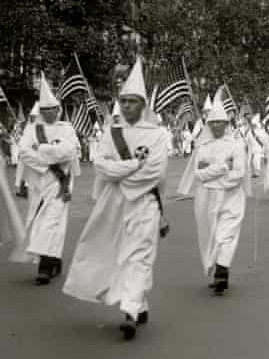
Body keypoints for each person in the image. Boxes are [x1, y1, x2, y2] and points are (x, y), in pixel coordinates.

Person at [63, 57, 171, 341]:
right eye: (123, 101)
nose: (127, 106)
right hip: (114, 204)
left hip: (145, 203)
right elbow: (100, 165)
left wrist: (121, 173)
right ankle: (139, 302)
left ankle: (130, 312)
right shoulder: (112, 133)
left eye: (132, 102)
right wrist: (133, 166)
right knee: (120, 253)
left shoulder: (158, 135)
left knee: (139, 255)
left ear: (143, 105)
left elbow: (155, 172)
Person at [177, 100, 249, 294]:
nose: (216, 125)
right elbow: (198, 174)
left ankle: (221, 272)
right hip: (206, 198)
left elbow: (238, 174)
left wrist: (212, 173)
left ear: (226, 124)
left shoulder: (236, 146)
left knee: (226, 234)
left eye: (220, 122)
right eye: (213, 122)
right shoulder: (203, 147)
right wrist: (223, 167)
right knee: (210, 235)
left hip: (231, 197)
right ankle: (218, 268)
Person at [17, 75, 80, 284]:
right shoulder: (32, 130)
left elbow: (70, 151)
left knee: (51, 221)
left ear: (58, 109)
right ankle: (54, 259)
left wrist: (43, 149)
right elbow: (24, 152)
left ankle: (44, 267)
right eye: (45, 110)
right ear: (41, 112)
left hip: (61, 183)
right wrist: (47, 161)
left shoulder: (67, 128)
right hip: (39, 182)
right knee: (43, 222)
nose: (50, 113)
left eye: (53, 109)